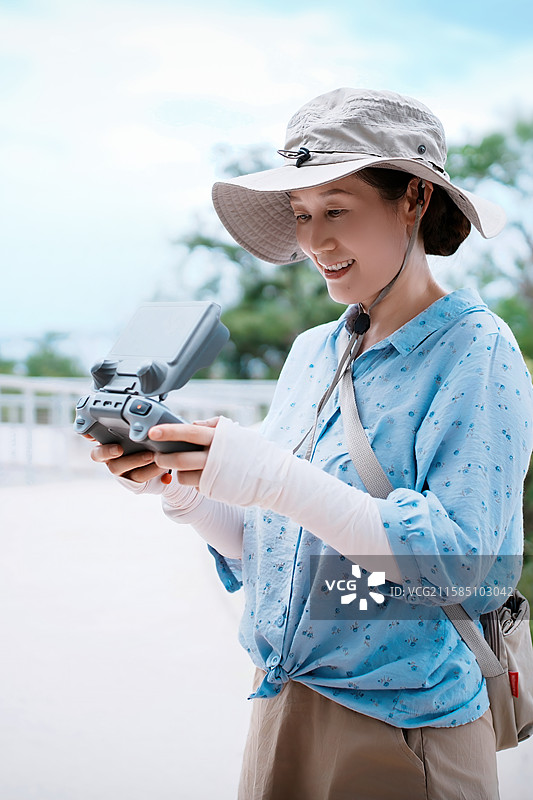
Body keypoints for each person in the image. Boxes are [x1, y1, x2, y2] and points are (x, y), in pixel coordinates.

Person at [90, 89, 533, 799]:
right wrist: (182, 490)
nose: (315, 242)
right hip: (281, 703)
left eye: (336, 210)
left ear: (413, 199)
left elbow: (466, 570)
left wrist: (268, 475)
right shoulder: (311, 351)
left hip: (401, 731)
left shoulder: (475, 350)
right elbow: (276, 542)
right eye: (300, 216)